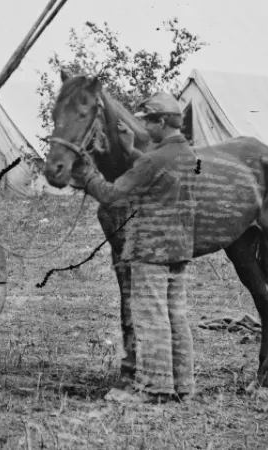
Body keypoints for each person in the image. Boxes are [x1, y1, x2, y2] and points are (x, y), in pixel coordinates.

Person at [70, 92, 199, 403]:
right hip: (179, 249)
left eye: (148, 123)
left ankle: (154, 389)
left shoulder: (153, 160)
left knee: (151, 318)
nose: (144, 129)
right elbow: (158, 171)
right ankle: (182, 386)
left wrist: (88, 175)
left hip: (150, 250)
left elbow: (111, 194)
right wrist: (130, 151)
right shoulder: (189, 155)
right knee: (176, 317)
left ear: (162, 122)